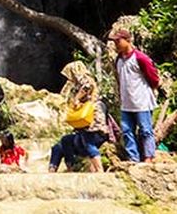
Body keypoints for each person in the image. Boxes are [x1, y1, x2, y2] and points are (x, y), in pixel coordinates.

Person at [49, 61, 108, 173]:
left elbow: (86, 87)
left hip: (91, 121)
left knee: (88, 143)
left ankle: (99, 170)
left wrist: (77, 98)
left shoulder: (84, 80)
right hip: (92, 121)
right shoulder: (89, 80)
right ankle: (76, 168)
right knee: (69, 141)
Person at [110, 29, 160, 163]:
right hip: (126, 103)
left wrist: (146, 91)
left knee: (145, 130)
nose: (116, 44)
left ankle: (148, 157)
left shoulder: (140, 58)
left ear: (128, 40)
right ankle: (133, 158)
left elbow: (154, 79)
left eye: (118, 41)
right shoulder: (118, 60)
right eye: (114, 42)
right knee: (127, 131)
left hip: (141, 101)